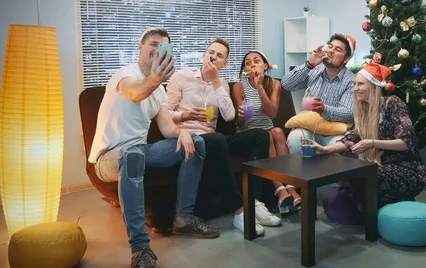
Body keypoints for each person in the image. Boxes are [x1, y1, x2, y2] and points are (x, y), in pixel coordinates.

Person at [89, 27, 219, 268]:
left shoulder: (158, 90)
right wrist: (154, 79)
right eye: (153, 44)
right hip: (108, 158)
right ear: (140, 47)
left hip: (140, 151)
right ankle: (140, 248)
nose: (157, 49)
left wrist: (184, 133)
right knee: (133, 155)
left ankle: (184, 218)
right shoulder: (125, 73)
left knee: (198, 142)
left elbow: (168, 128)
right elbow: (134, 93)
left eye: (163, 46)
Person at [166, 38, 281, 237]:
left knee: (261, 135)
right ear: (204, 55)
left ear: (224, 63)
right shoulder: (182, 77)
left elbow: (228, 116)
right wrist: (185, 115)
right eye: (211, 52)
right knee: (217, 138)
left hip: (213, 140)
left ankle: (253, 202)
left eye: (220, 56)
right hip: (189, 137)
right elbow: (164, 112)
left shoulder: (222, 85)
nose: (214, 57)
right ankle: (240, 212)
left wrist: (217, 83)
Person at [311, 61, 426, 211]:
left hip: (408, 170)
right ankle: (380, 206)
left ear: (372, 86)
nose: (355, 88)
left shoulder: (392, 103)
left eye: (360, 84)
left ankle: (377, 214)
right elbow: (350, 138)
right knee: (350, 177)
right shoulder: (364, 112)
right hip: (383, 168)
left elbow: (407, 142)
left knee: (365, 174)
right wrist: (325, 150)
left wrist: (372, 143)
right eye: (354, 84)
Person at [232, 50, 302, 214]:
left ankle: (290, 187)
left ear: (265, 66)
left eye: (256, 61)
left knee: (277, 131)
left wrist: (259, 87)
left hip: (268, 128)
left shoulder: (274, 84)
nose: (252, 65)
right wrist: (242, 116)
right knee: (269, 135)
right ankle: (281, 191)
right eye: (248, 63)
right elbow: (241, 124)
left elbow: (272, 114)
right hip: (249, 132)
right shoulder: (239, 86)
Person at [281, 33, 356, 154]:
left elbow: (348, 114)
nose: (331, 51)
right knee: (296, 139)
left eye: (338, 49)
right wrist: (309, 64)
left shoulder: (351, 81)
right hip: (311, 129)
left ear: (346, 59)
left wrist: (324, 110)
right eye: (330, 46)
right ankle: (302, 173)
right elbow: (286, 84)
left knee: (337, 149)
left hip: (337, 132)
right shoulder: (314, 71)